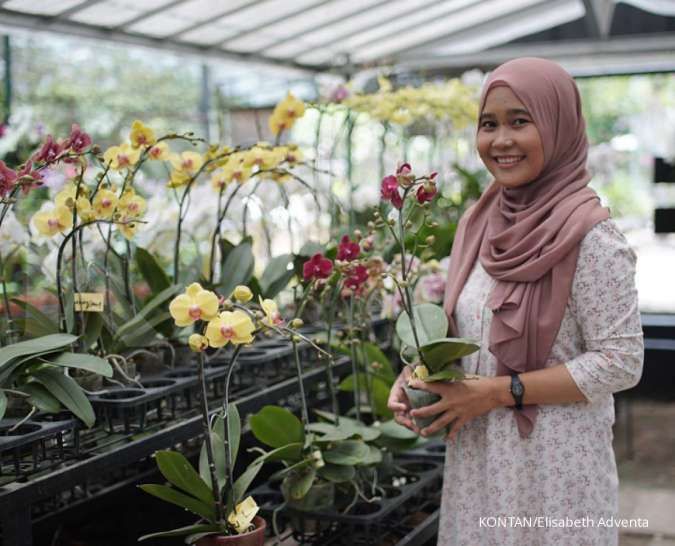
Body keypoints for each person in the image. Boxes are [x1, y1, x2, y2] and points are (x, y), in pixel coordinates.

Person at [387, 57, 644, 546]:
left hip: (555, 473)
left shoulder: (592, 238)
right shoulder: (479, 224)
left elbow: (622, 362)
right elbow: (467, 332)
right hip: (480, 462)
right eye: (489, 124)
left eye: (520, 121)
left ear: (558, 125)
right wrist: (418, 373)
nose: (500, 140)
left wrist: (497, 392)